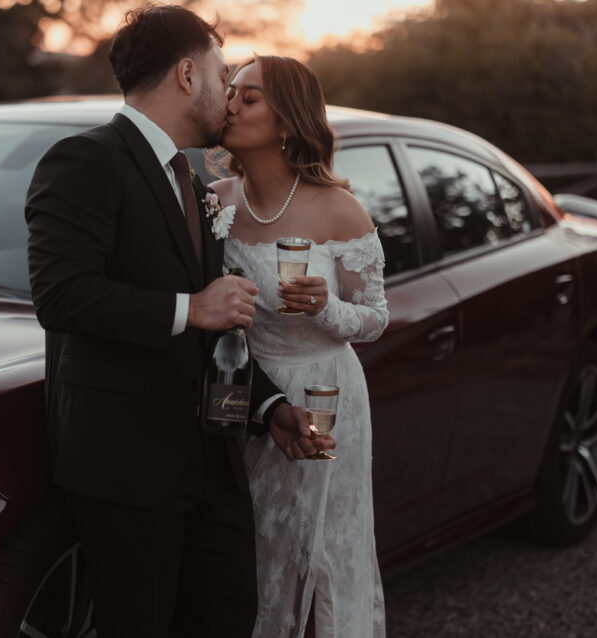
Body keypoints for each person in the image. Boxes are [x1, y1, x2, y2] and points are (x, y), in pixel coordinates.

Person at [24, 8, 334, 637]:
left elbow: (215, 336)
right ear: (189, 74)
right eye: (223, 75)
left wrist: (269, 407)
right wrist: (191, 308)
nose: (228, 94)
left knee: (227, 619)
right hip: (126, 472)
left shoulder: (192, 181)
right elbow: (61, 295)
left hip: (214, 467)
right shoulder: (86, 160)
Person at [209, 54, 389, 637]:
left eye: (250, 96)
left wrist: (327, 307)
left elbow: (377, 317)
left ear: (286, 120)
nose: (230, 103)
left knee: (322, 554)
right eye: (230, 91)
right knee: (253, 548)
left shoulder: (339, 207)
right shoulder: (215, 202)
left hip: (324, 391)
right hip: (246, 392)